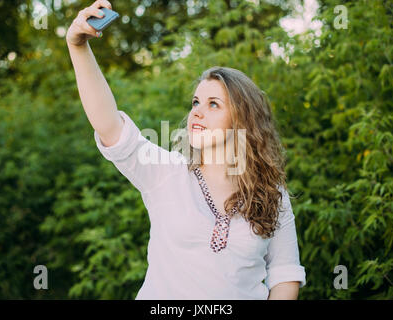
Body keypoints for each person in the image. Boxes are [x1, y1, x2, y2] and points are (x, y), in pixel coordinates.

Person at [66, 0, 306, 300]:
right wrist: (78, 47)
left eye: (213, 104)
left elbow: (284, 275)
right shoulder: (166, 173)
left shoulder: (272, 193)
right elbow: (110, 127)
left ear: (243, 119)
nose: (197, 112)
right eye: (195, 102)